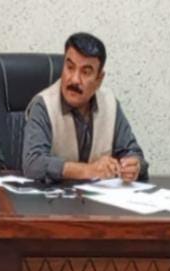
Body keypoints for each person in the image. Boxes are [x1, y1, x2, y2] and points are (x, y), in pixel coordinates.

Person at [22, 32, 146, 184]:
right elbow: (33, 164)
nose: (74, 79)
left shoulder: (110, 104)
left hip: (99, 198)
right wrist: (89, 170)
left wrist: (134, 166)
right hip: (54, 197)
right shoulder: (43, 105)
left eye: (85, 72)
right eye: (70, 67)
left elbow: (133, 153)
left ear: (99, 79)